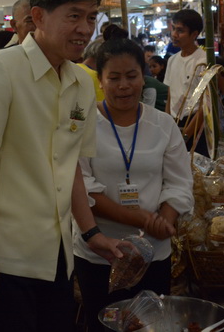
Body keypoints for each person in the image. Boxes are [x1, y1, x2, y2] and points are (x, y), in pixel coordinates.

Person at [0, 0, 122, 332]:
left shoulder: (81, 81)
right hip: (3, 253)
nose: (84, 28)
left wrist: (91, 233)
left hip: (57, 253)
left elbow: (71, 167)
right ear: (38, 17)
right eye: (73, 16)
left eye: (91, 16)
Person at [74, 38, 193, 332]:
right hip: (100, 253)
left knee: (151, 326)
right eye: (113, 78)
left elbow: (179, 182)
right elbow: (82, 186)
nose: (123, 85)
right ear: (100, 81)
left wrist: (164, 221)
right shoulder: (84, 124)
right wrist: (139, 218)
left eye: (131, 76)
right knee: (104, 324)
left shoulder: (163, 125)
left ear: (144, 76)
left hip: (153, 254)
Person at [164, 9, 207, 124]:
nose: (174, 34)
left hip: (193, 122)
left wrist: (187, 133)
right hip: (174, 121)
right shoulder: (172, 60)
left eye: (180, 31)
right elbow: (170, 95)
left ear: (194, 34)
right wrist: (169, 123)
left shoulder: (203, 61)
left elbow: (205, 104)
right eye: (173, 28)